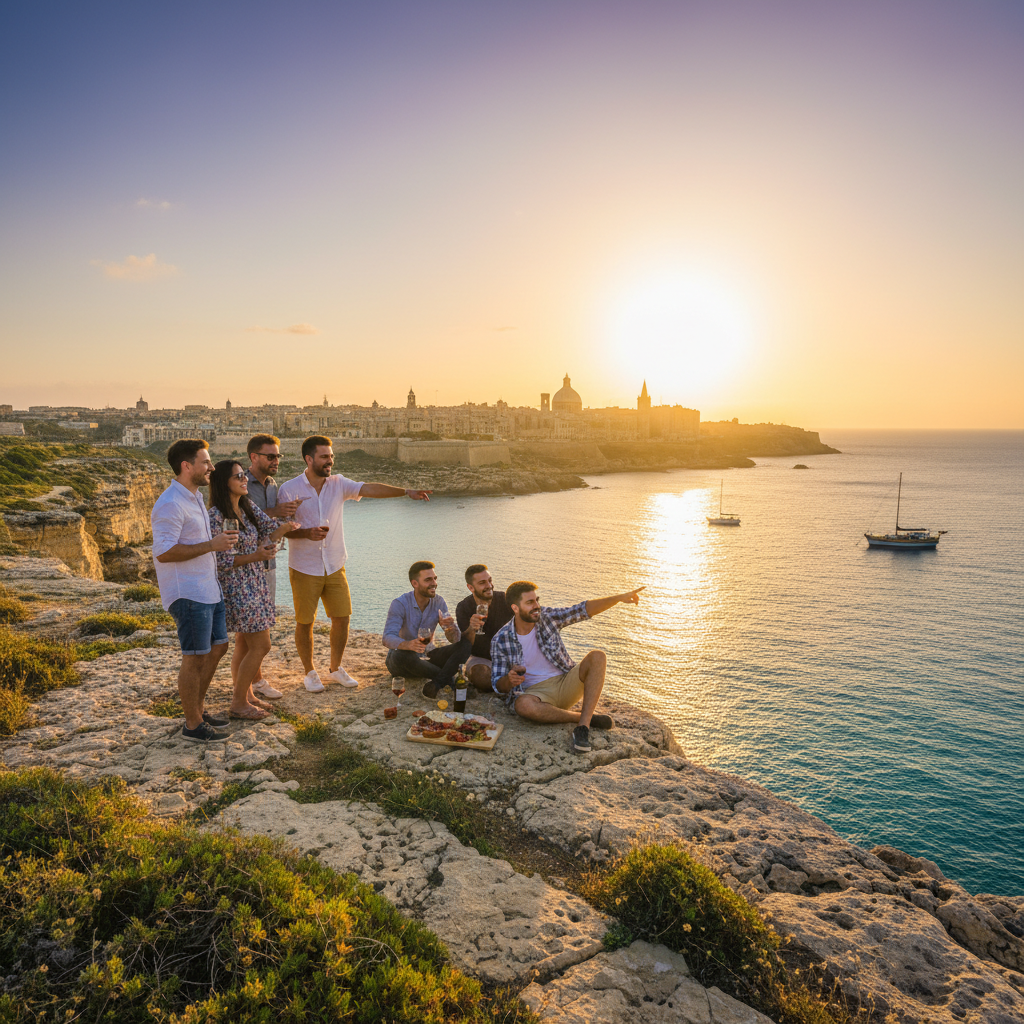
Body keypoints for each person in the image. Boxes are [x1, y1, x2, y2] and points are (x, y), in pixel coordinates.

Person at [277, 435, 431, 693]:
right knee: (305, 622)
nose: (330, 461)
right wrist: (305, 533)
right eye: (325, 456)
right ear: (309, 459)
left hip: (335, 564)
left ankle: (335, 668)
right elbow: (280, 529)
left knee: (342, 618)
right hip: (304, 566)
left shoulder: (338, 483)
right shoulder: (289, 489)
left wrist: (405, 492)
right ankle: (309, 672)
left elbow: (368, 488)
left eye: (331, 456)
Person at [490, 580, 645, 754]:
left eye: (536, 600)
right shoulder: (501, 639)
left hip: (565, 681)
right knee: (522, 705)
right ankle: (584, 717)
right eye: (530, 602)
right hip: (536, 695)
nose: (537, 606)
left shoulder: (547, 617)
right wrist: (509, 680)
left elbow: (582, 610)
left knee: (597, 656)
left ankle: (583, 728)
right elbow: (498, 685)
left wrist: (618, 598)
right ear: (515, 608)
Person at [151, 439, 236, 742]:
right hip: (188, 593)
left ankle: (197, 711)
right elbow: (163, 552)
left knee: (218, 647)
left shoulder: (194, 497)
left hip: (208, 588)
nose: (212, 467)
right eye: (205, 462)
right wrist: (211, 545)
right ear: (187, 466)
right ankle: (192, 725)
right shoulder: (171, 503)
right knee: (195, 657)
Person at [208, 460, 298, 720]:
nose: (245, 479)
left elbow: (271, 531)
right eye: (238, 476)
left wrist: (286, 528)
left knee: (245, 646)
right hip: (238, 586)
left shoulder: (246, 507)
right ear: (224, 482)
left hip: (254, 582)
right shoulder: (218, 516)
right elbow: (224, 560)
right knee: (261, 645)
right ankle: (238, 703)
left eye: (244, 475)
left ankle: (245, 694)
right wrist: (257, 554)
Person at [244, 433, 302, 700]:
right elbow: (240, 518)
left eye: (278, 455)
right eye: (271, 456)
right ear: (254, 457)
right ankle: (254, 681)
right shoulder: (242, 483)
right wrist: (277, 512)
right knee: (255, 629)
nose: (276, 460)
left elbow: (269, 524)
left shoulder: (272, 485)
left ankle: (249, 680)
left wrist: (287, 520)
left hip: (269, 560)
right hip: (249, 563)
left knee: (254, 627)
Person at [383, 561, 468, 697]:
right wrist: (408, 644)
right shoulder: (399, 604)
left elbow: (455, 640)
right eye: (428, 580)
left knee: (465, 643)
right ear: (415, 583)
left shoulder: (439, 602)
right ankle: (449, 679)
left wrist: (450, 629)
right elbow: (387, 638)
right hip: (403, 661)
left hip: (427, 656)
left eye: (435, 578)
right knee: (401, 654)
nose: (434, 583)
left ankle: (439, 679)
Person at [454, 563, 513, 692]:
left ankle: (506, 681)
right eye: (482, 583)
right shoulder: (463, 607)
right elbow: (465, 644)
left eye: (490, 580)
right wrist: (471, 628)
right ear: (471, 587)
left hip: (507, 656)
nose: (489, 585)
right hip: (481, 658)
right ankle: (508, 683)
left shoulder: (505, 599)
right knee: (480, 676)